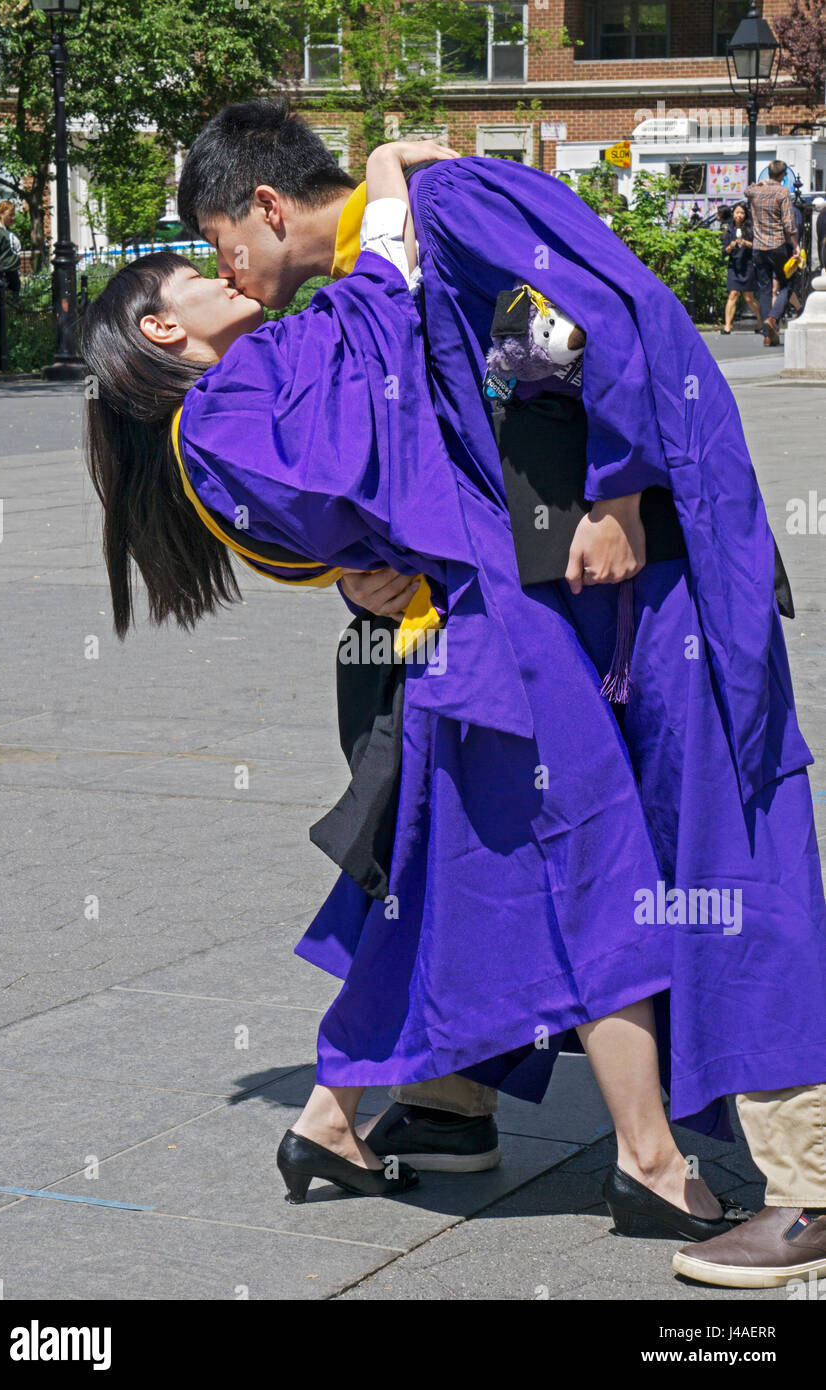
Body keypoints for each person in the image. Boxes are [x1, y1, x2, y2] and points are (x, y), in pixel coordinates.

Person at [169, 102, 826, 1288]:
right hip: (586, 589)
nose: (231, 274)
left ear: (266, 208)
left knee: (726, 841)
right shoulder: (393, 270)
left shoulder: (451, 204)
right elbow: (505, 401)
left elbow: (621, 316)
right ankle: (454, 1096)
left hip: (662, 567)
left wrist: (621, 492)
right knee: (582, 847)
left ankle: (812, 1187)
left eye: (222, 244)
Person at [746, 160, 800, 347]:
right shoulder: (782, 192)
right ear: (783, 175)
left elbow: (747, 190)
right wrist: (796, 245)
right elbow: (788, 223)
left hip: (759, 247)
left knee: (764, 289)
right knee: (787, 284)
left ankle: (768, 334)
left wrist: (758, 184)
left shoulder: (755, 192)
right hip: (778, 246)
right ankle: (773, 318)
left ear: (768, 173)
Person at [720, 203, 761, 334]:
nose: (739, 215)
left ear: (745, 214)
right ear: (733, 213)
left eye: (742, 213)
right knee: (733, 294)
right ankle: (727, 326)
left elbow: (756, 245)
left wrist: (745, 243)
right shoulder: (729, 229)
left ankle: (762, 321)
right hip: (734, 265)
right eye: (737, 212)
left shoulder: (750, 228)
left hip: (747, 264)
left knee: (748, 297)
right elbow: (724, 251)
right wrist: (731, 246)